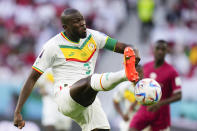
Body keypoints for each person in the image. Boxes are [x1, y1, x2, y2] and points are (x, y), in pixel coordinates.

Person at [13, 8, 141, 131]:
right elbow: (32, 78)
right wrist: (18, 111)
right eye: (76, 22)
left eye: (82, 20)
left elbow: (124, 47)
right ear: (65, 27)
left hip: (89, 99)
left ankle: (126, 73)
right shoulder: (53, 46)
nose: (82, 24)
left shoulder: (93, 36)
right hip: (65, 96)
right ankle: (125, 74)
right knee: (92, 81)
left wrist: (133, 52)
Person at [129, 40, 182, 131]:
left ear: (167, 51)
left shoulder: (172, 72)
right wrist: (134, 103)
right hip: (144, 110)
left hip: (161, 114)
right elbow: (140, 88)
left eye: (163, 49)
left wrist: (160, 103)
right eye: (158, 48)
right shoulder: (145, 67)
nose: (160, 51)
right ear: (153, 50)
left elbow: (178, 95)